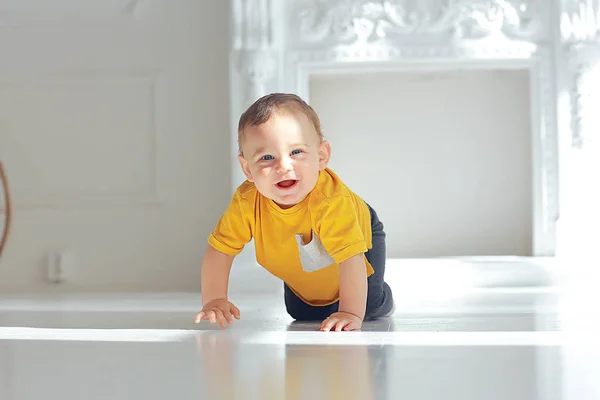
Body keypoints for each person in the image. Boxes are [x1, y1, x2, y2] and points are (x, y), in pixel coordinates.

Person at [194, 93, 394, 332]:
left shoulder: (332, 203)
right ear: (248, 168)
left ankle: (383, 296)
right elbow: (220, 250)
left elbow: (350, 259)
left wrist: (349, 313)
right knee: (302, 313)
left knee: (367, 304)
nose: (283, 166)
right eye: (267, 157)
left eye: (296, 152)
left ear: (321, 157)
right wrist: (214, 298)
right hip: (303, 258)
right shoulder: (247, 202)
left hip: (360, 236)